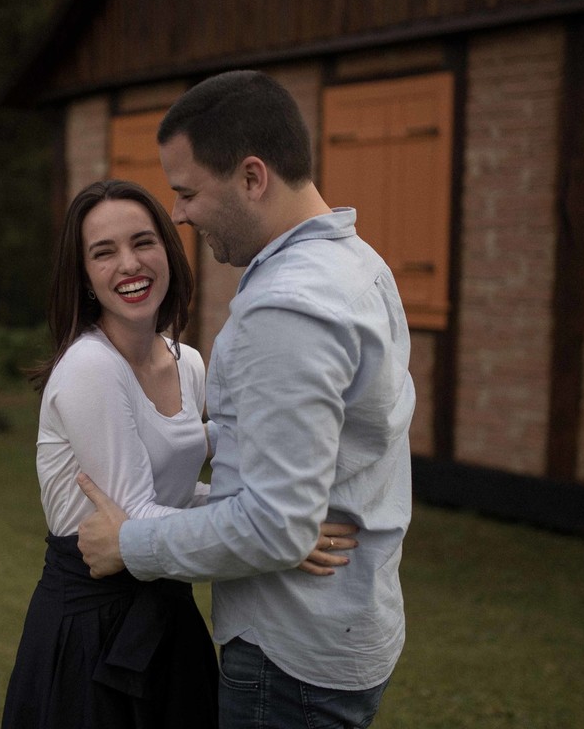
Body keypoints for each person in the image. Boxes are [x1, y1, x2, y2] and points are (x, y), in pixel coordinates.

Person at [76, 71, 415, 729]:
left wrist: (132, 545)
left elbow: (275, 526)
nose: (177, 215)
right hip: (348, 621)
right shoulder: (359, 265)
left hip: (291, 655)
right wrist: (285, 515)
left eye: (187, 192)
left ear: (252, 177)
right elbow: (341, 454)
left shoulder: (285, 308)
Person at [2, 179, 358, 729]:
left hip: (167, 603)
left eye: (143, 242)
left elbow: (176, 494)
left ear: (169, 249)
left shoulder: (188, 362)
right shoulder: (90, 369)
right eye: (103, 252)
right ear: (85, 278)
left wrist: (273, 513)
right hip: (93, 624)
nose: (129, 264)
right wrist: (276, 536)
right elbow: (136, 518)